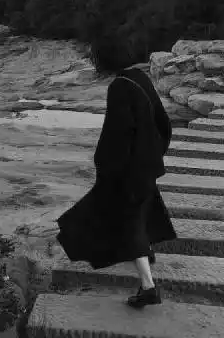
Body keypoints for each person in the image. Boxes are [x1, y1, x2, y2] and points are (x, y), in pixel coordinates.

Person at [56, 64, 177, 308]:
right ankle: (144, 257)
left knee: (126, 221)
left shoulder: (119, 86)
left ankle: (148, 286)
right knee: (138, 214)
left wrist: (104, 166)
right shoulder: (140, 78)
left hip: (128, 171)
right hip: (146, 166)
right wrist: (154, 155)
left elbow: (117, 135)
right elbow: (164, 123)